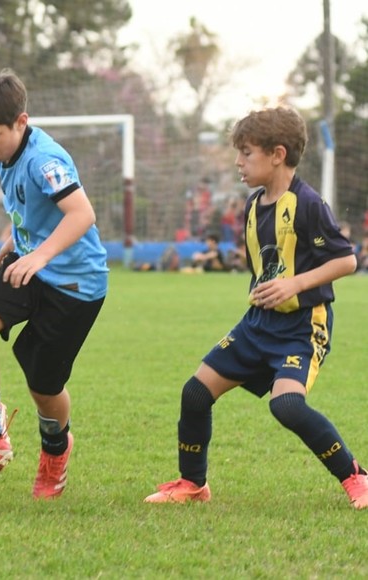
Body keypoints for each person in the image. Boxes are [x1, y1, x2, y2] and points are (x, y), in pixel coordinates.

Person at [144, 106, 367, 509]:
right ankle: (193, 483)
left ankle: (356, 477)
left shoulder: (308, 204)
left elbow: (346, 260)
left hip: (302, 327)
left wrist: (295, 284)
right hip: (257, 325)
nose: (237, 162)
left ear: (277, 154)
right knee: (195, 393)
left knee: (286, 405)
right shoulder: (252, 204)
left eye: (246, 153)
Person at [0, 70, 108, 499]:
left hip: (75, 285)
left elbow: (81, 215)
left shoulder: (46, 159)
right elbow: (29, 205)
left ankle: (56, 451)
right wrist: (15, 238)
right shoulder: (7, 154)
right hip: (30, 266)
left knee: (44, 386)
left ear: (21, 121)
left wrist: (39, 254)